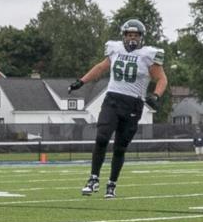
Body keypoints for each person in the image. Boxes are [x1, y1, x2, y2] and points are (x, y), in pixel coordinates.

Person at [69, 19, 167, 198]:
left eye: (135, 35)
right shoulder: (115, 49)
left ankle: (112, 184)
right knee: (101, 137)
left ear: (141, 37)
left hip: (133, 103)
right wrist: (81, 81)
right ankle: (93, 179)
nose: (132, 38)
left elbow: (161, 79)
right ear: (123, 36)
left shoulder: (149, 55)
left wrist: (156, 96)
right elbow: (101, 68)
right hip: (112, 99)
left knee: (120, 147)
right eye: (129, 35)